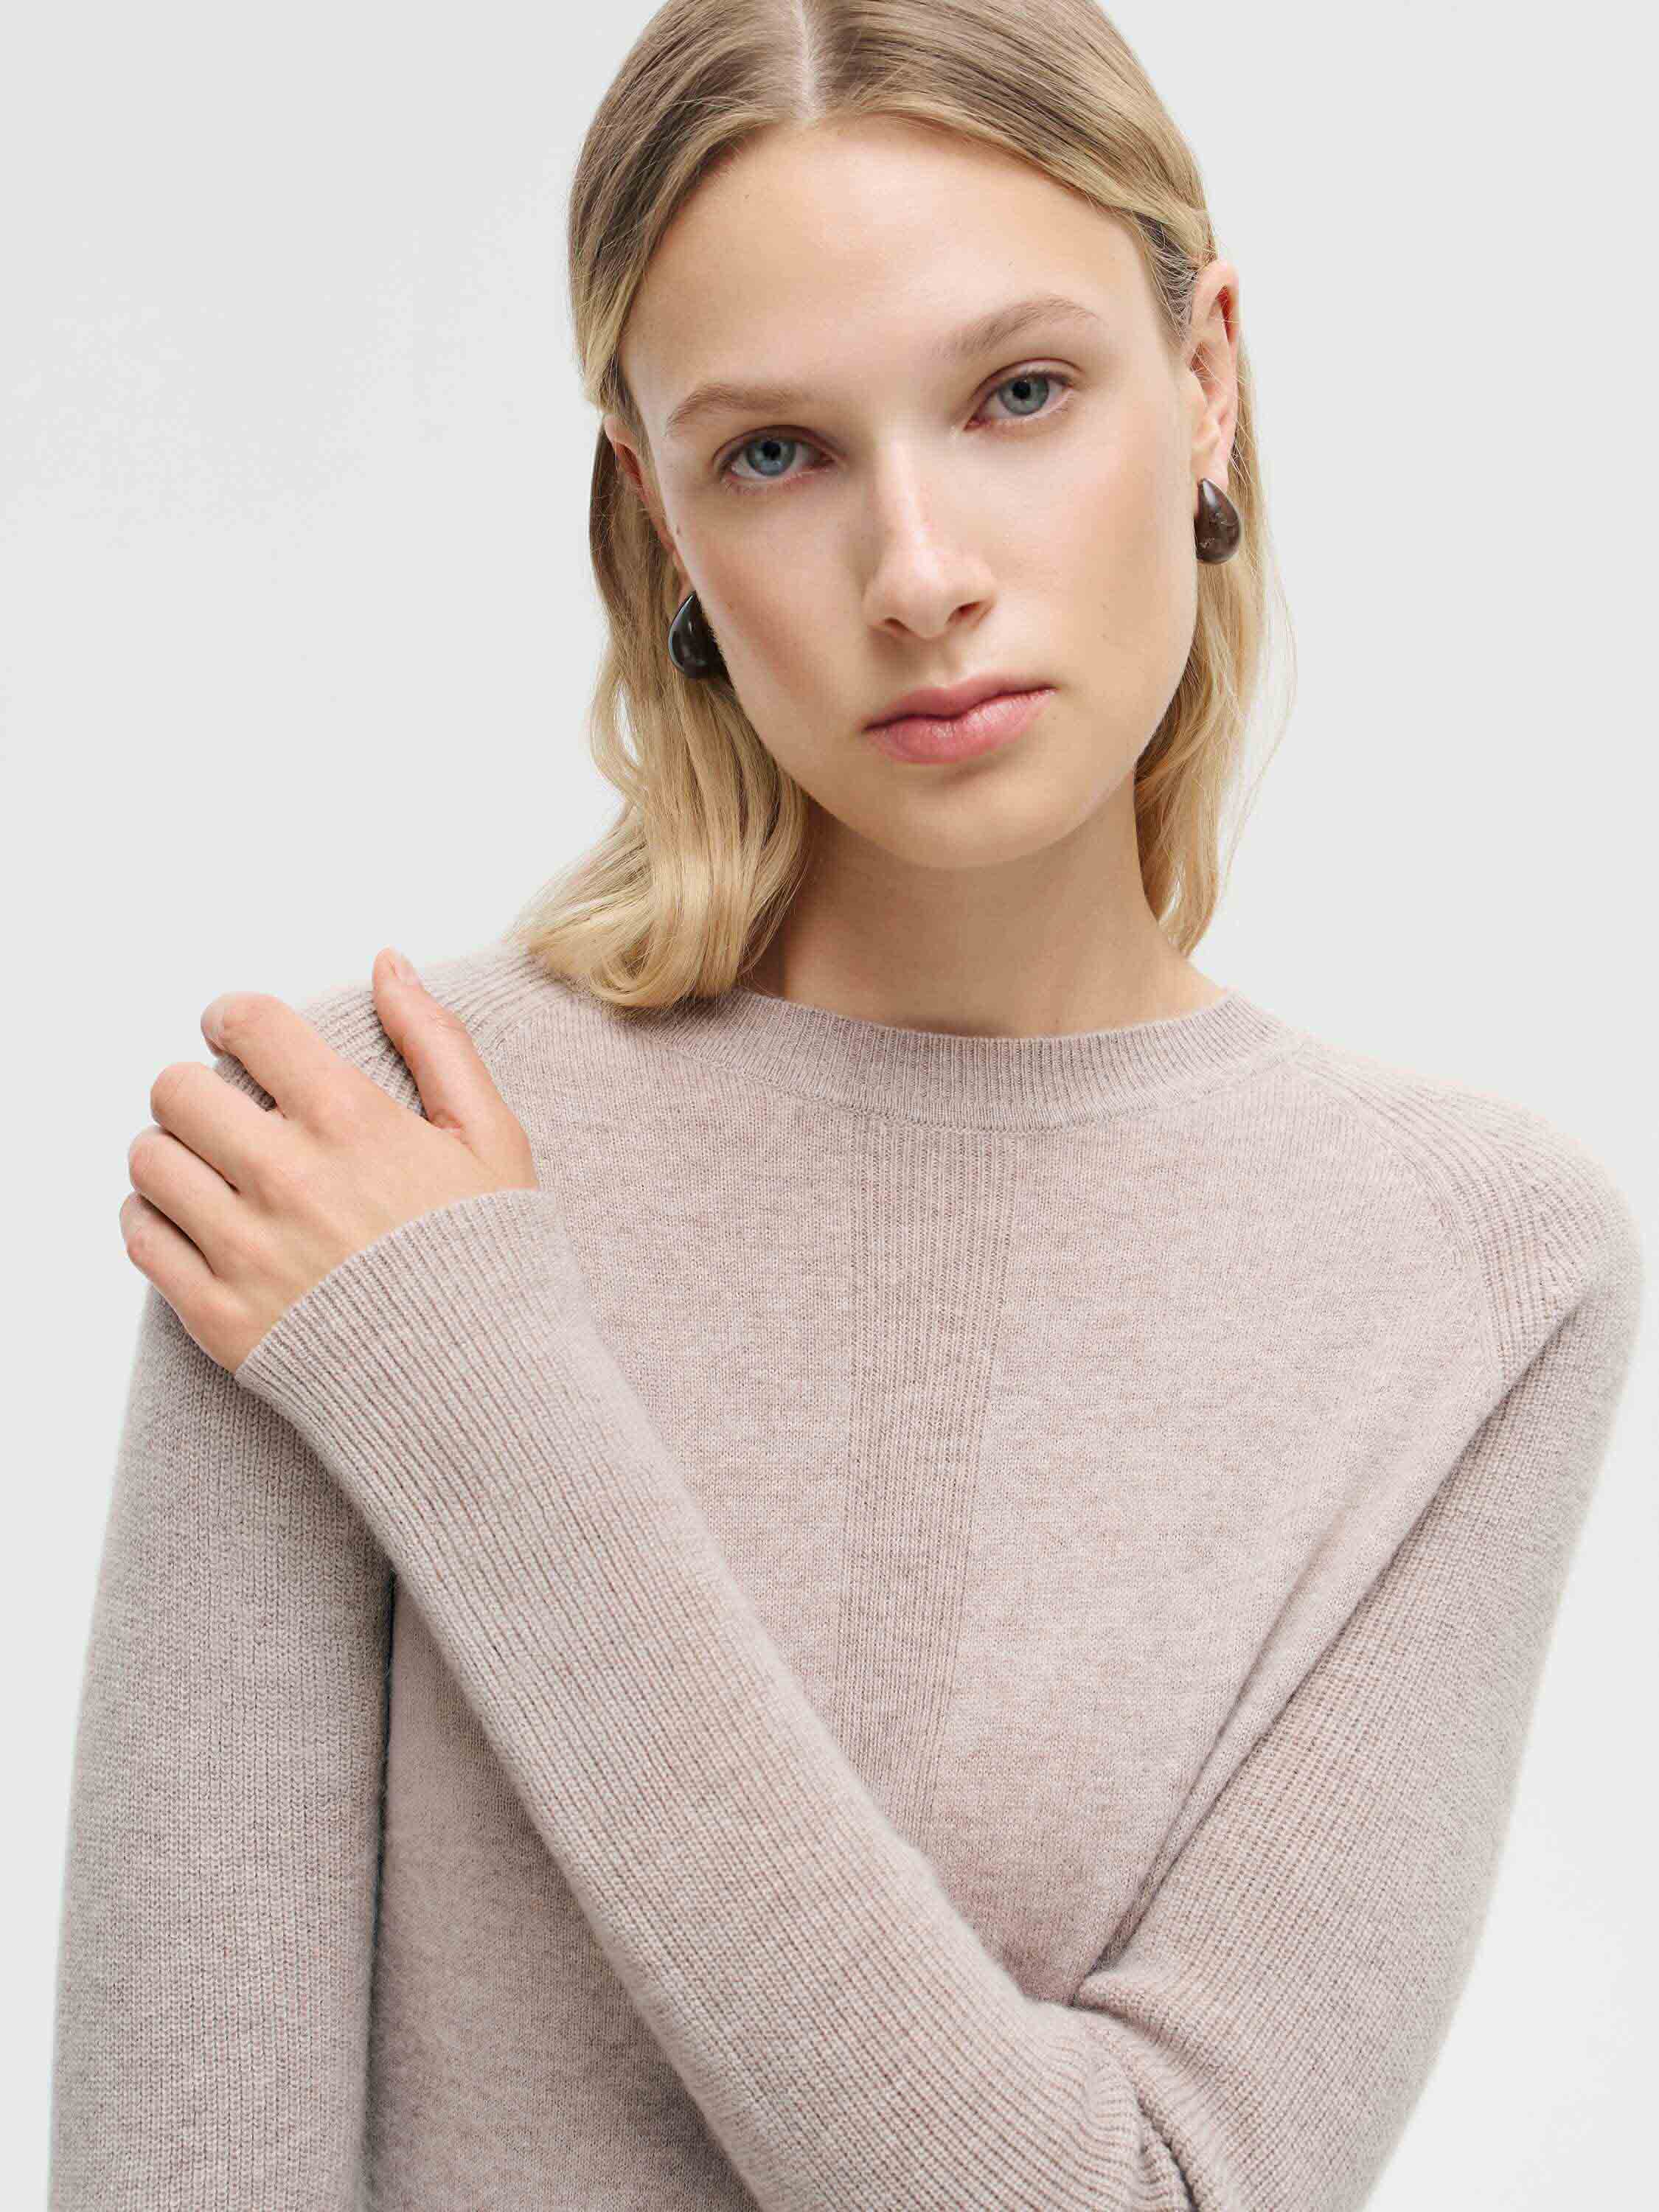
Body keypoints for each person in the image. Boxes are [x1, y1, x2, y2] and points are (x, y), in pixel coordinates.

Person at [49, 1, 1642, 2207]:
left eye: (1018, 395)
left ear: (1206, 378)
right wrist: (414, 1325)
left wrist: (481, 1407)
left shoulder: (1474, 1269)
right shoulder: (362, 1147)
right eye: (776, 455)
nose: (918, 573)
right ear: (657, 515)